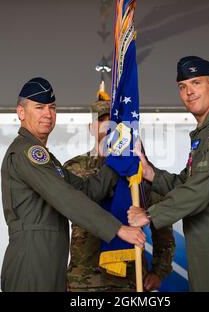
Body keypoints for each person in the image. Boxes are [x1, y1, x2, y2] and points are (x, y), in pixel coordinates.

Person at [127, 56, 209, 292]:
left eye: (196, 83)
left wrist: (149, 215)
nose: (189, 92)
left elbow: (199, 190)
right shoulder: (205, 132)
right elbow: (186, 183)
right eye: (183, 86)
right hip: (208, 245)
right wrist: (150, 172)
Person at [0, 77, 145, 292]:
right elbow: (67, 198)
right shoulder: (27, 152)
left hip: (49, 259)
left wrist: (117, 158)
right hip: (32, 258)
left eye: (52, 107)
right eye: (39, 107)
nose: (48, 114)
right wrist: (117, 229)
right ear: (21, 112)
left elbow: (86, 191)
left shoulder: (46, 158)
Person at [65, 87, 175, 292]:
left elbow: (162, 223)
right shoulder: (74, 168)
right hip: (84, 281)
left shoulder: (136, 167)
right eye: (102, 119)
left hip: (130, 280)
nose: (108, 124)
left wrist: (159, 270)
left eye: (113, 121)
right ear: (90, 127)